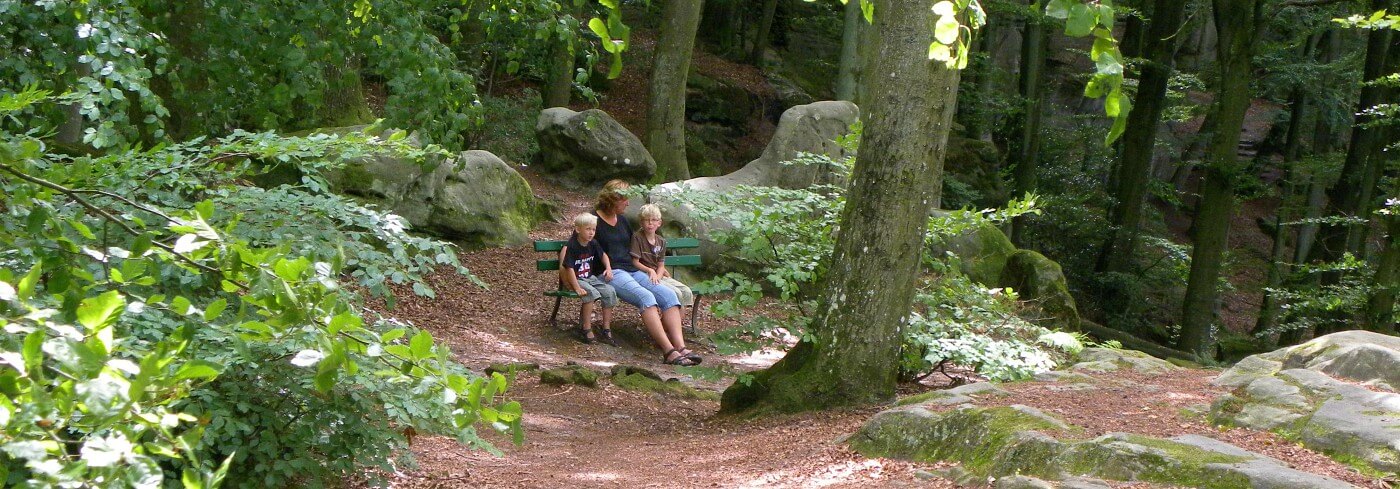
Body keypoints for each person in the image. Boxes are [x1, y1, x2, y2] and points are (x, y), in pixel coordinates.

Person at [592, 180, 702, 366]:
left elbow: (640, 245)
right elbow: (580, 245)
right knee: (646, 297)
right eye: (624, 199)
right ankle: (669, 352)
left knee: (668, 296)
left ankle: (681, 347)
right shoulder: (593, 220)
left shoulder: (623, 220)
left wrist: (656, 265)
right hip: (610, 273)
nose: (628, 203)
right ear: (613, 199)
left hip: (633, 270)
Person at [559, 213, 618, 345]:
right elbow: (568, 268)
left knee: (609, 291)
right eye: (588, 229)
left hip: (589, 278)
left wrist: (608, 268)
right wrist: (576, 287)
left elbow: (603, 256)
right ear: (578, 229)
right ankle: (586, 328)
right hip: (577, 278)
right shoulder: (572, 246)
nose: (591, 233)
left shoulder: (593, 243)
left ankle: (606, 328)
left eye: (593, 229)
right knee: (591, 294)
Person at [629, 203, 694, 308]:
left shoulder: (661, 241)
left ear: (659, 223)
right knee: (676, 293)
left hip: (658, 275)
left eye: (654, 220)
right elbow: (635, 262)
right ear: (641, 222)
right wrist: (650, 271)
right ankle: (669, 322)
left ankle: (677, 322)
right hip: (644, 275)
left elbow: (661, 265)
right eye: (647, 220)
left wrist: (658, 277)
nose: (650, 223)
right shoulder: (637, 238)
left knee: (686, 291)